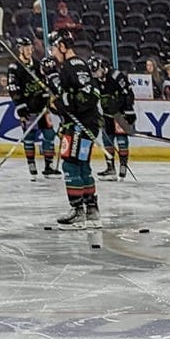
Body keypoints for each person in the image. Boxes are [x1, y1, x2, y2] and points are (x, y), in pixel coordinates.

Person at [47, 29, 102, 231]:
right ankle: (91, 210)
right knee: (81, 165)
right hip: (82, 123)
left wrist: (65, 103)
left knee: (71, 165)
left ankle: (78, 211)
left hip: (81, 124)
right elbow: (68, 97)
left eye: (53, 47)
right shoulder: (70, 67)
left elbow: (89, 94)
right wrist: (58, 103)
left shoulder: (74, 65)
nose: (52, 52)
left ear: (62, 46)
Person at [7, 38, 59, 181]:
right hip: (28, 108)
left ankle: (48, 166)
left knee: (49, 134)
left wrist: (49, 95)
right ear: (20, 49)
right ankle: (31, 164)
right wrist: (20, 106)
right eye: (26, 48)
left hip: (42, 107)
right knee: (29, 138)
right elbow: (13, 89)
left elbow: (47, 82)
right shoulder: (15, 68)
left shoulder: (37, 64)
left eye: (30, 47)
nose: (30, 50)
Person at [90, 56, 136, 182]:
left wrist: (129, 111)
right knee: (107, 139)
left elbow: (128, 94)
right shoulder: (95, 79)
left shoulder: (116, 76)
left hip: (120, 114)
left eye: (96, 71)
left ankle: (123, 165)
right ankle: (110, 168)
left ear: (102, 67)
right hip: (107, 114)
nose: (95, 75)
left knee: (121, 139)